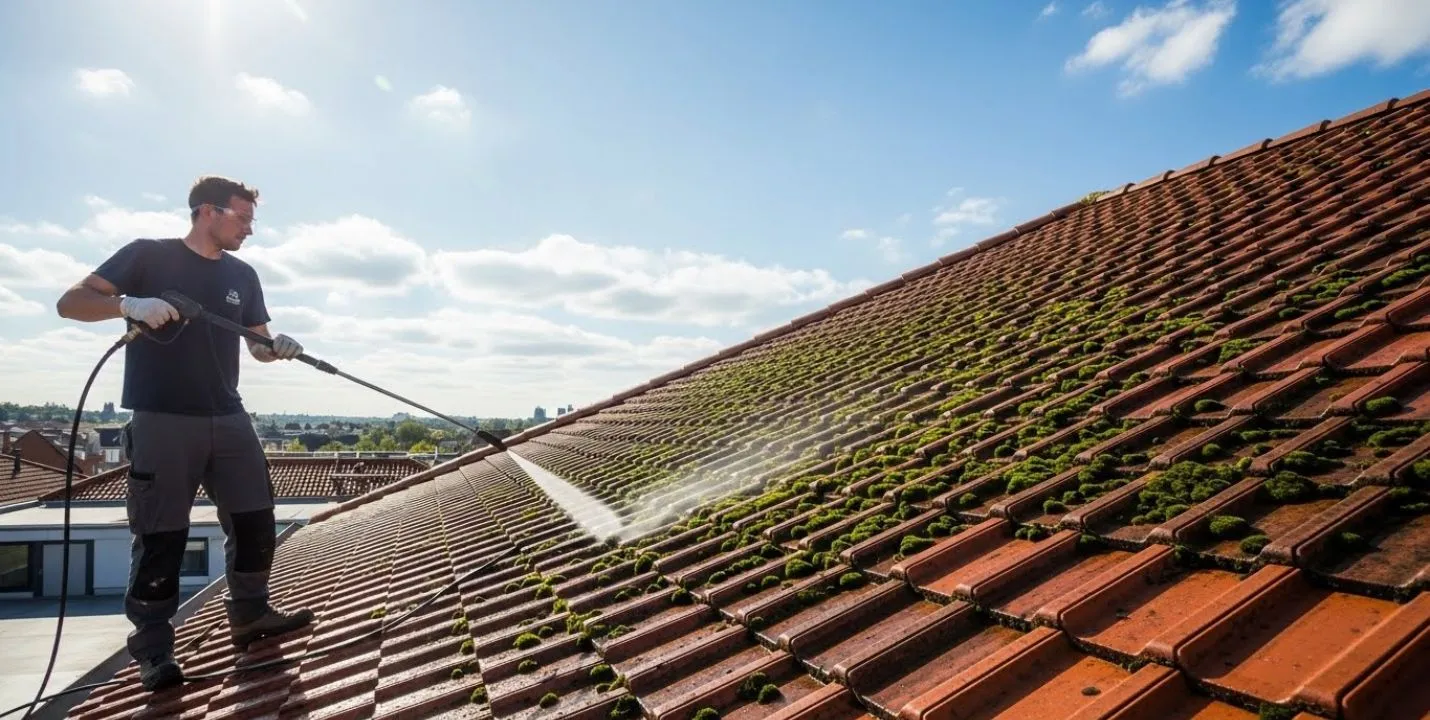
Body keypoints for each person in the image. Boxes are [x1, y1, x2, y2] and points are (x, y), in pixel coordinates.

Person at [55, 175, 314, 691]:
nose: (249, 229)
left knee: (256, 518)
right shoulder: (148, 255)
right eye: (243, 218)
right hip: (162, 418)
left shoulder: (243, 274)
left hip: (228, 414)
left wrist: (277, 348)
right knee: (162, 536)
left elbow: (257, 345)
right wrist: (127, 304)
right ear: (207, 211)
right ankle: (154, 651)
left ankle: (250, 614)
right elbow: (71, 302)